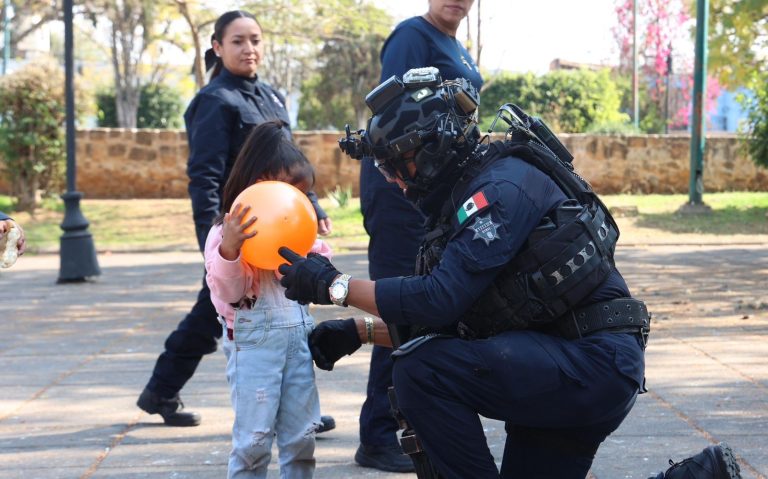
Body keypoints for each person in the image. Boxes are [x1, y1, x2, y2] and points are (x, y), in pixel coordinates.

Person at [277, 69, 649, 478]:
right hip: (567, 360)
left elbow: (439, 299)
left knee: (423, 370)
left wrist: (334, 285)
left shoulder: (499, 190)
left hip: (589, 365)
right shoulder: (478, 186)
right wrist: (359, 331)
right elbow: (462, 320)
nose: (396, 182)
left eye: (398, 167)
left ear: (432, 149)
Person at [137, 10, 335, 432]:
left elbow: (289, 164)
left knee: (260, 311)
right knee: (214, 312)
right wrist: (213, 243)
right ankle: (165, 390)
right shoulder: (215, 101)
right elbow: (204, 176)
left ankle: (162, 390)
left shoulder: (272, 97)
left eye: (255, 40)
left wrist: (312, 206)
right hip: (237, 234)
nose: (249, 49)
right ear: (218, 47)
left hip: (277, 232)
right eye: (238, 41)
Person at [357, 0, 481, 472]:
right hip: (401, 195)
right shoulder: (412, 36)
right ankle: (377, 434)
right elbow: (393, 119)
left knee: (428, 310)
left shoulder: (455, 46)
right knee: (400, 305)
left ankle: (412, 424)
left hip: (434, 195)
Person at [205, 121, 324, 478]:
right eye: (291, 194)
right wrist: (231, 250)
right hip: (253, 351)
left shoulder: (300, 234)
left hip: (297, 347)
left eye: (304, 197)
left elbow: (321, 277)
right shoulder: (224, 235)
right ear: (258, 186)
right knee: (254, 442)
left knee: (302, 437)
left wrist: (313, 258)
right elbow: (228, 294)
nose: (296, 206)